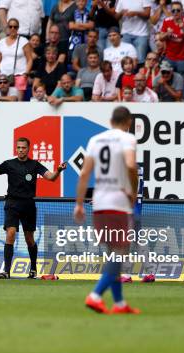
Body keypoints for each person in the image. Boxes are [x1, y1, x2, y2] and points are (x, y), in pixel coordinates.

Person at [73, 106, 140, 315]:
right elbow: (130, 165)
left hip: (99, 202)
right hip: (118, 202)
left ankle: (119, 304)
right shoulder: (127, 139)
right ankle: (95, 295)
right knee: (120, 254)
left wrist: (79, 203)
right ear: (128, 122)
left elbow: (84, 174)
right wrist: (133, 191)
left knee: (113, 253)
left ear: (111, 121)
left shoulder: (95, 140)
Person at [0, 138, 66, 279]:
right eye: (18, 147)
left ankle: (33, 269)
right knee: (11, 233)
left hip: (28, 205)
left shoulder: (35, 165)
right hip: (12, 204)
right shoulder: (9, 164)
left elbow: (51, 177)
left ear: (28, 149)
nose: (21, 150)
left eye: (23, 147)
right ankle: (6, 271)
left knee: (29, 239)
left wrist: (58, 170)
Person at [0, 18, 32, 101]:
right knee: (4, 100)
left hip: (19, 75)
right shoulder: (1, 42)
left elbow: (29, 59)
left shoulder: (24, 41)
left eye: (15, 27)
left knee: (18, 101)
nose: (13, 29)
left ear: (18, 28)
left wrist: (26, 73)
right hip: (4, 77)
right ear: (7, 27)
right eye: (10, 26)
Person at [159, 0, 184, 76]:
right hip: (169, 57)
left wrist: (183, 28)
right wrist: (167, 34)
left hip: (183, 59)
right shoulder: (167, 21)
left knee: (180, 82)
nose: (175, 12)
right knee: (165, 79)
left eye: (178, 10)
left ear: (182, 11)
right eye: (173, 10)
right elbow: (160, 38)